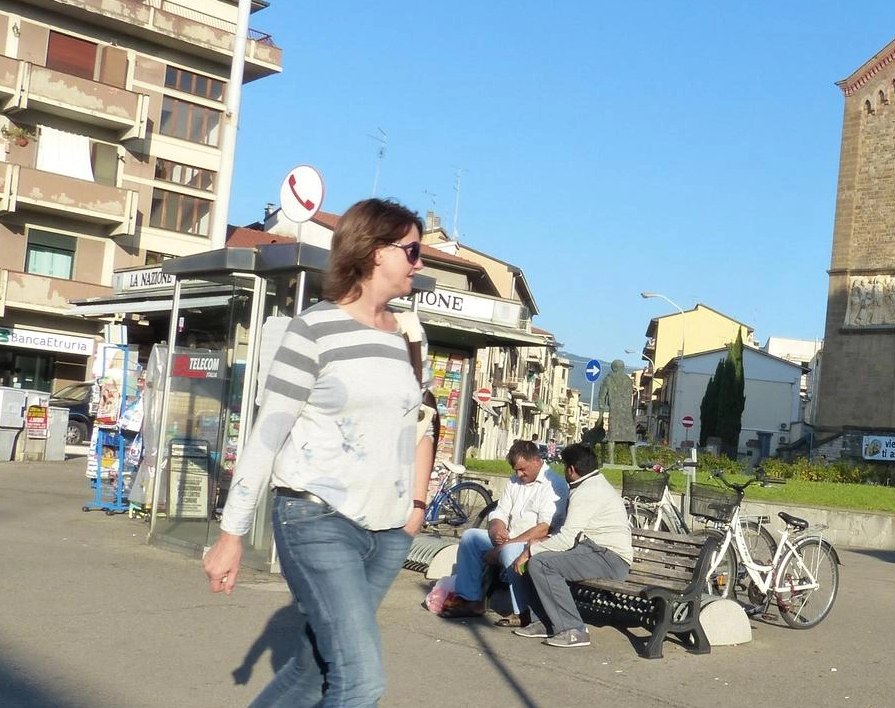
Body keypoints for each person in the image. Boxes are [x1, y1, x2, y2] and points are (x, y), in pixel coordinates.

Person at [202, 198, 434, 707]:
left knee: (314, 671)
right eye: (412, 250)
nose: (419, 262)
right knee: (361, 680)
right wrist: (231, 535)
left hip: (389, 531)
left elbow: (422, 424)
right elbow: (267, 435)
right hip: (316, 518)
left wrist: (415, 508)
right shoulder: (312, 330)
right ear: (374, 251)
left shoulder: (410, 334)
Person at [510, 443, 633, 648]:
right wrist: (537, 545)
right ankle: (544, 621)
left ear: (572, 469)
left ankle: (573, 629)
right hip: (593, 551)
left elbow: (567, 539)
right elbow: (571, 537)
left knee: (541, 563)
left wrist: (530, 550)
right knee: (539, 558)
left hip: (610, 558)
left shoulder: (588, 491)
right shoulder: (590, 484)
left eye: (564, 466)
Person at [439, 440, 569, 623]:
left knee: (509, 551)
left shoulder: (554, 484)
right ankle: (472, 601)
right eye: (516, 470)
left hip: (535, 542)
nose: (519, 474)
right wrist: (496, 527)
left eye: (523, 469)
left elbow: (544, 527)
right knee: (470, 538)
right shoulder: (514, 481)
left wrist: (504, 546)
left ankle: (522, 611)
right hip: (510, 537)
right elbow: (501, 511)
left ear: (536, 461)